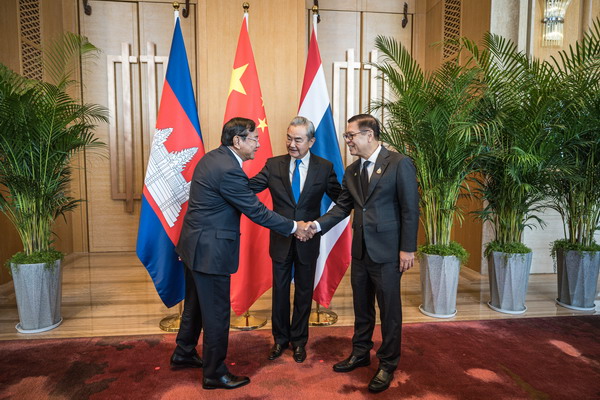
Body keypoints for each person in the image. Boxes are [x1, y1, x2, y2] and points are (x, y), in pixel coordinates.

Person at [171, 117, 312, 390]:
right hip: (210, 253)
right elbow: (256, 211)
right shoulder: (228, 170)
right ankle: (214, 374)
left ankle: (184, 352)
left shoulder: (213, 159)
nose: (259, 144)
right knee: (216, 314)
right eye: (255, 139)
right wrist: (295, 226)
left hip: (194, 246)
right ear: (237, 141)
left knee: (195, 305)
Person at [309, 114, 419, 393]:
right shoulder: (352, 171)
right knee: (362, 306)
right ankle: (360, 352)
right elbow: (342, 207)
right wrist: (316, 226)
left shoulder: (399, 163)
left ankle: (388, 363)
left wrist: (407, 248)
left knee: (389, 311)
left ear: (369, 135)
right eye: (346, 136)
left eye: (351, 135)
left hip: (388, 252)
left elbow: (410, 209)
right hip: (360, 251)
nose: (347, 141)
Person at [249, 116, 341, 363]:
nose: (292, 144)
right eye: (289, 138)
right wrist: (224, 177)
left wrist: (317, 225)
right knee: (279, 292)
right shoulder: (273, 165)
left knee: (303, 292)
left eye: (298, 140)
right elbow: (248, 188)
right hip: (281, 239)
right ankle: (280, 340)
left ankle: (299, 341)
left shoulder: (324, 167)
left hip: (308, 240)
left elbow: (342, 200)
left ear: (311, 141)